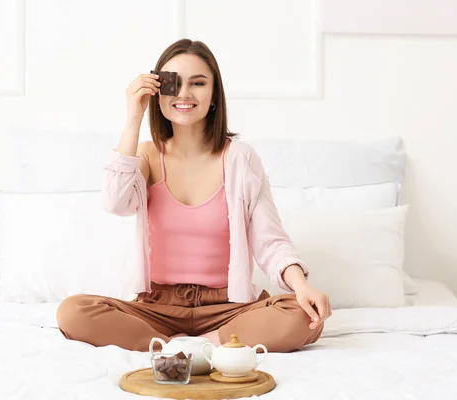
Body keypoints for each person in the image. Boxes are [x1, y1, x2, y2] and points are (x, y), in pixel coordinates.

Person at [56, 39, 331, 353]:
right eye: (174, 83)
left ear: (214, 94)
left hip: (229, 306)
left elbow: (270, 240)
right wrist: (134, 117)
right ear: (158, 90)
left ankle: (202, 345)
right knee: (73, 312)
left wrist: (301, 285)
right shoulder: (145, 156)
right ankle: (171, 346)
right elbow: (115, 202)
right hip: (157, 308)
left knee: (301, 315)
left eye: (198, 83)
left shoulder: (240, 159)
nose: (185, 94)